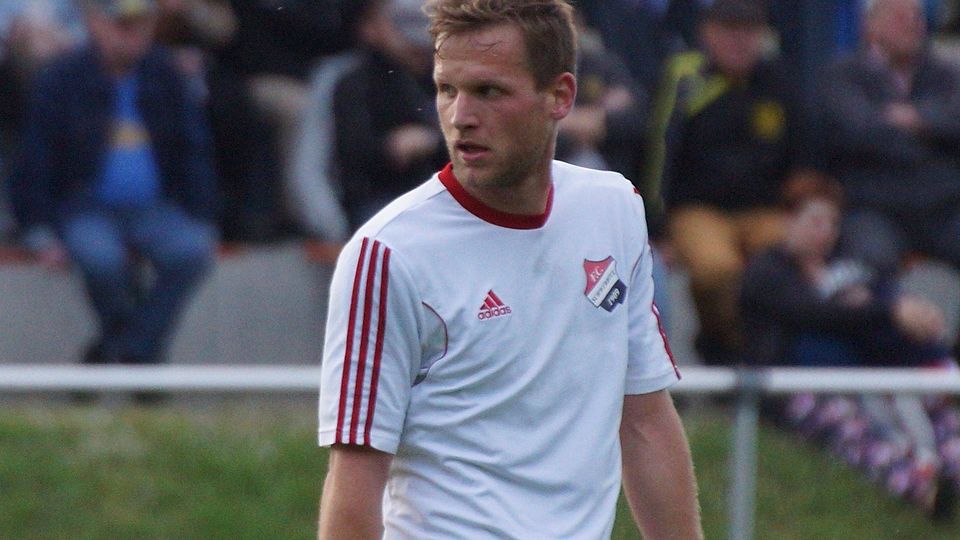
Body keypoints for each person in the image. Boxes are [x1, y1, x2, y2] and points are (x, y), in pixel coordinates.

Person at [317, 1, 702, 538]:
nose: (459, 115)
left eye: (489, 91)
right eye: (447, 89)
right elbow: (355, 475)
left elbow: (643, 419)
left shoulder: (612, 207)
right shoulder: (387, 254)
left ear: (560, 96)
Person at [10, 0, 218, 367]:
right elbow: (36, 159)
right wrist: (39, 229)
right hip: (84, 208)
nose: (131, 33)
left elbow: (193, 150)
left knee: (192, 251)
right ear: (93, 24)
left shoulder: (165, 74)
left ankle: (118, 350)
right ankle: (140, 355)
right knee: (101, 260)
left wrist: (201, 212)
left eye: (139, 24)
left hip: (155, 208)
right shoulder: (63, 77)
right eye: (120, 24)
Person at [740, 178, 960, 516]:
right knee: (852, 430)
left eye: (832, 223)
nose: (825, 232)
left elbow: (874, 307)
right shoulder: (766, 273)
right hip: (798, 390)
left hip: (866, 375)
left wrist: (913, 314)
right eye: (815, 221)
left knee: (937, 412)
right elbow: (817, 316)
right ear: (788, 220)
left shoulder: (849, 270)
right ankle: (922, 491)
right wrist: (889, 311)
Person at [642, 0, 814, 365]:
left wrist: (806, 208)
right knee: (717, 268)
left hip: (766, 210)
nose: (740, 41)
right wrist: (656, 228)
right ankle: (727, 347)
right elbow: (659, 153)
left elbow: (804, 153)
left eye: (749, 31)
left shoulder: (779, 81)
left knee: (786, 256)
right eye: (729, 30)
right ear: (707, 33)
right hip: (697, 210)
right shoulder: (686, 78)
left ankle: (768, 357)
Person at [818, 0, 960, 281]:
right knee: (870, 264)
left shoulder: (945, 74)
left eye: (916, 17)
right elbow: (860, 131)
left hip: (944, 207)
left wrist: (916, 119)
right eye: (899, 17)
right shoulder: (842, 74)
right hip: (875, 208)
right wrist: (933, 130)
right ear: (870, 26)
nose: (911, 24)